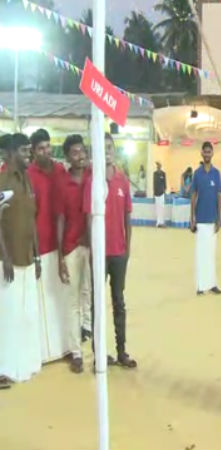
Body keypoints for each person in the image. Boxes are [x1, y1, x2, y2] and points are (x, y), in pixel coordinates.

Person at [83, 133, 137, 368]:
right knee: (97, 304)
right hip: (99, 254)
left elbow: (127, 217)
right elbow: (88, 219)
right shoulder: (93, 182)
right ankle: (99, 355)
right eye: (102, 147)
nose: (106, 151)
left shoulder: (122, 180)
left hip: (118, 254)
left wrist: (127, 249)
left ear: (114, 150)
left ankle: (122, 351)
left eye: (109, 147)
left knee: (118, 302)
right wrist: (93, 251)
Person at [0, 133, 43, 388]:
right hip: (7, 261)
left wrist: (37, 255)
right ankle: (2, 369)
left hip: (27, 258)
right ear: (11, 153)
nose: (30, 154)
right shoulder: (2, 180)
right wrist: (4, 256)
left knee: (23, 315)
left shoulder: (27, 180)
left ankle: (20, 363)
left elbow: (31, 220)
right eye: (25, 150)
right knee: (5, 317)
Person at [27, 128, 70, 364]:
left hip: (62, 244)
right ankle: (45, 351)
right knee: (44, 301)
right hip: (41, 246)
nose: (46, 151)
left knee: (62, 298)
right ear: (33, 151)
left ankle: (65, 346)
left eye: (48, 146)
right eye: (41, 148)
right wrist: (34, 252)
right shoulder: (29, 175)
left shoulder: (60, 170)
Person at [56, 135, 91, 373]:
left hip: (91, 246)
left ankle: (94, 348)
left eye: (82, 151)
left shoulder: (92, 177)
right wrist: (60, 256)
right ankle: (76, 353)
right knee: (73, 301)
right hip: (70, 247)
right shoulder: (63, 183)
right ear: (68, 157)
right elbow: (60, 218)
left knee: (90, 295)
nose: (80, 155)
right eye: (75, 152)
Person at [190, 141, 221, 295]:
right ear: (202, 153)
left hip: (212, 219)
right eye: (205, 152)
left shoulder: (216, 173)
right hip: (201, 219)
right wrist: (192, 218)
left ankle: (212, 284)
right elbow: (193, 196)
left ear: (212, 154)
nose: (207, 154)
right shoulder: (197, 174)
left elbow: (219, 197)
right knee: (201, 254)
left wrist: (219, 218)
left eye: (209, 152)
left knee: (211, 254)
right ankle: (200, 286)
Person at [153, 162, 167, 227]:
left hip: (162, 193)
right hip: (156, 193)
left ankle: (162, 222)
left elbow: (165, 183)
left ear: (160, 166)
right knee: (157, 208)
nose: (158, 167)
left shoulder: (163, 173)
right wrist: (153, 193)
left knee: (162, 207)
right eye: (157, 166)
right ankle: (158, 222)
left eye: (159, 165)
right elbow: (154, 183)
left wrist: (164, 191)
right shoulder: (155, 173)